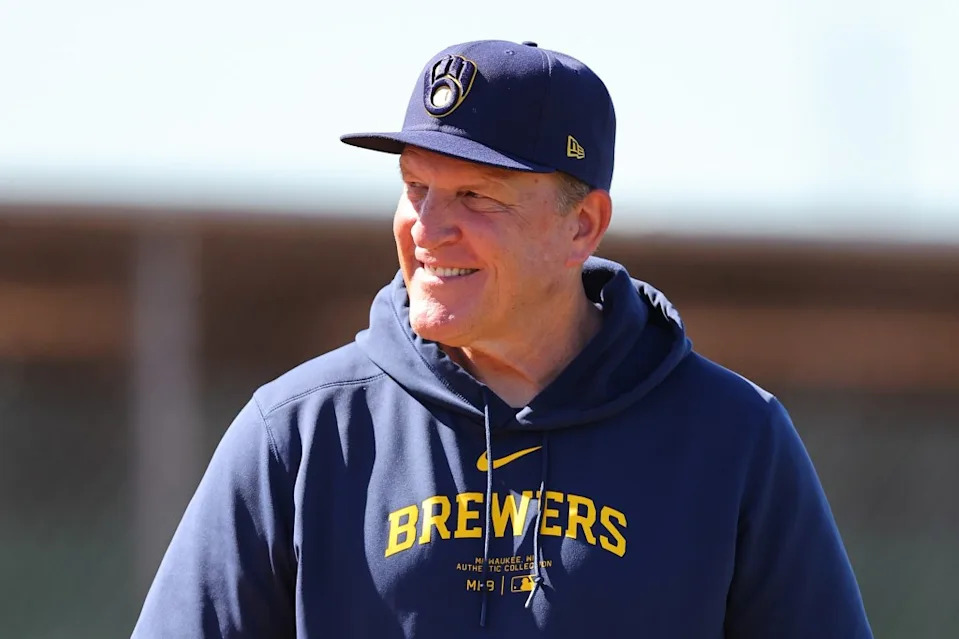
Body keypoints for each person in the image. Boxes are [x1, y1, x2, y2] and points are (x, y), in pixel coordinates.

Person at [132, 40, 873, 638]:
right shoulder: (299, 433)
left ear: (580, 226)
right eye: (414, 186)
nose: (425, 226)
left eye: (472, 196)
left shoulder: (732, 438)